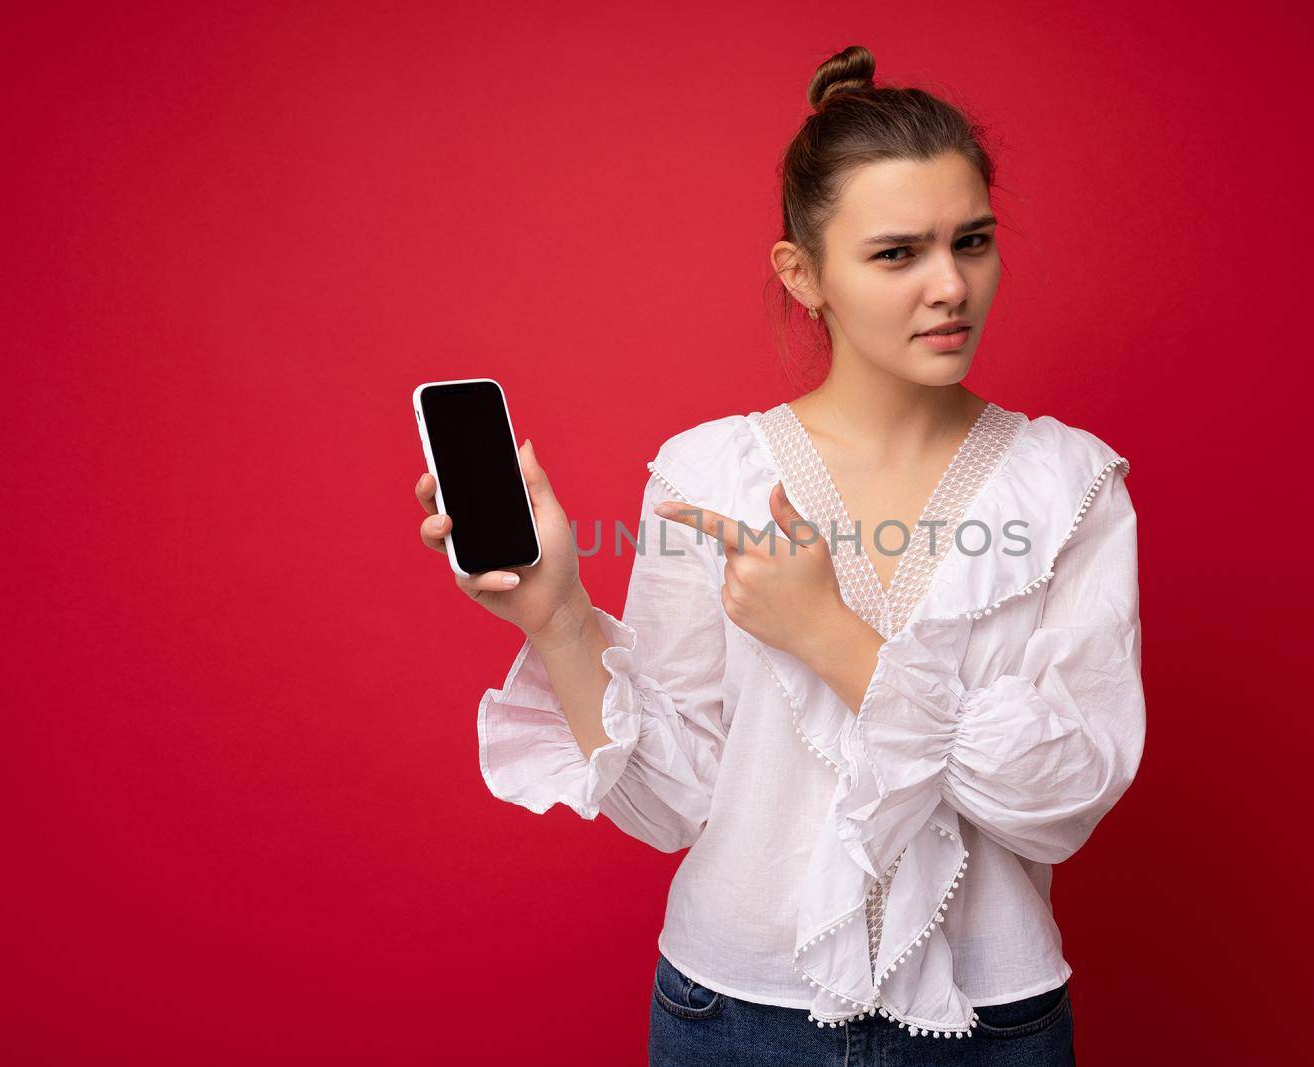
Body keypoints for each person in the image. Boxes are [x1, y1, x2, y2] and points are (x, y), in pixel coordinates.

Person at [414, 45, 1145, 1067]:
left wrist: (831, 635)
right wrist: (559, 615)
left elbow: (1059, 796)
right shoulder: (707, 471)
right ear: (803, 274)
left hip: (991, 1022)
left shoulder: (1069, 485)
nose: (949, 285)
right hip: (734, 1017)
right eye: (896, 253)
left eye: (970, 241)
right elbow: (675, 800)